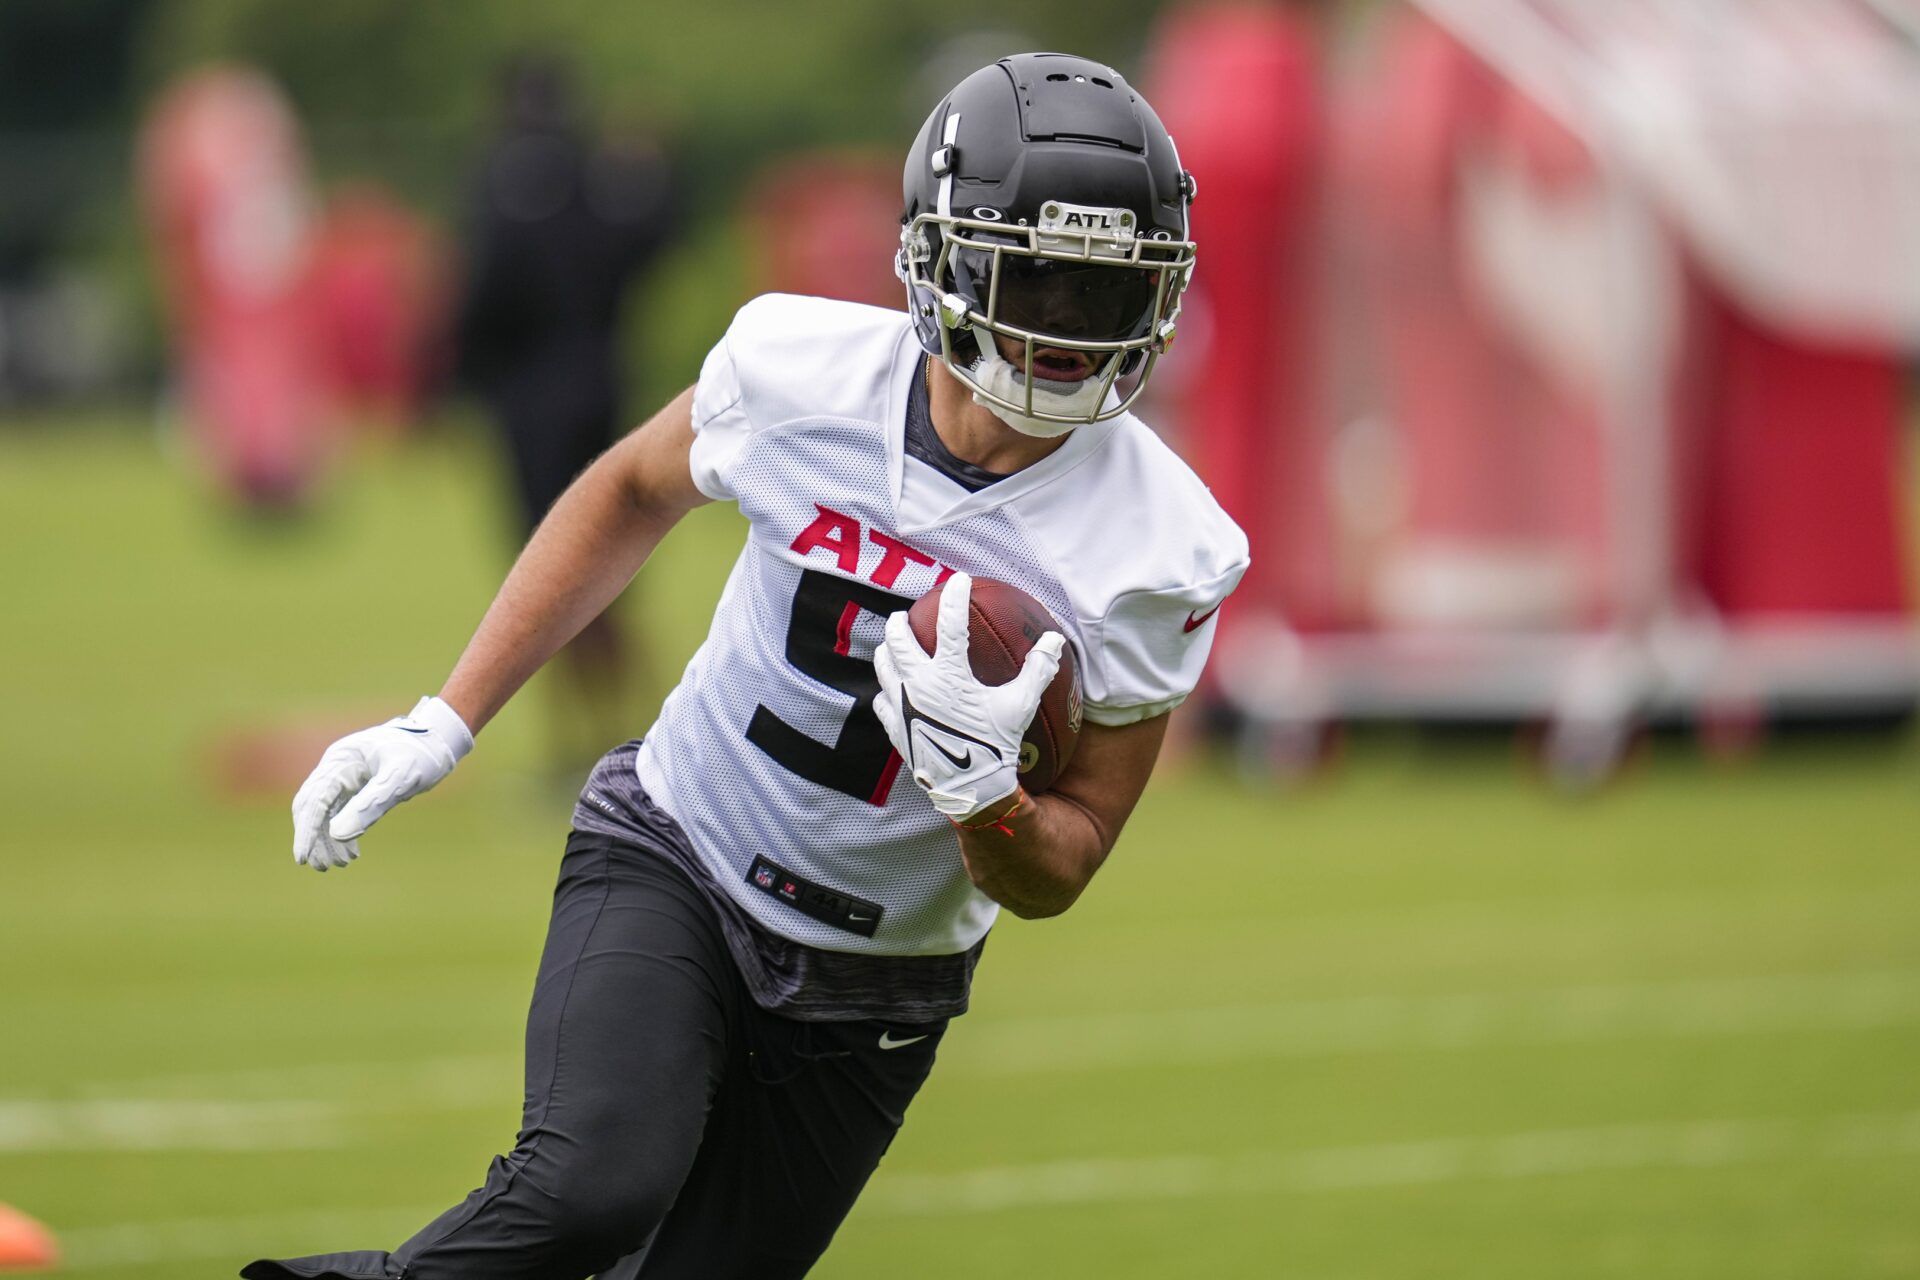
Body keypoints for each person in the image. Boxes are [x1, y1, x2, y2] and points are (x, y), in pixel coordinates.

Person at [244, 51, 1247, 1280]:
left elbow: (1065, 862)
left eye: (1103, 289)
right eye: (1034, 273)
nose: (1062, 328)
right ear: (942, 254)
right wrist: (446, 718)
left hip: (882, 977)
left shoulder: (1164, 541)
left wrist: (990, 797)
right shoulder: (800, 375)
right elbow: (628, 488)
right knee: (585, 1190)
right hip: (682, 847)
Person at [455, 55, 676, 769]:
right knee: (609, 567)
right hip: (602, 389)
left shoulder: (500, 184)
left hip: (528, 401)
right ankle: (634, 726)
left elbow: (482, 294)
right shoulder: (597, 179)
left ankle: (576, 744)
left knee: (545, 568)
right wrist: (652, 170)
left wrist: (459, 374)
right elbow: (648, 244)